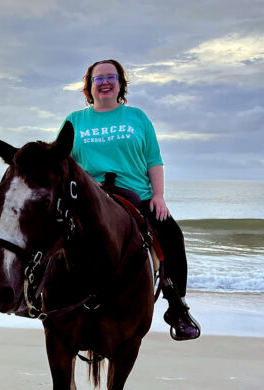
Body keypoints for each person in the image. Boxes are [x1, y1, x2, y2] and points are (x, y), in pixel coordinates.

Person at [63, 59, 200, 340]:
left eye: (110, 77)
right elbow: (62, 161)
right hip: (88, 198)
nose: (104, 82)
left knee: (172, 236)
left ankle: (177, 307)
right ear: (89, 86)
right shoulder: (75, 120)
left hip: (135, 195)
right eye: (97, 78)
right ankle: (31, 296)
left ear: (120, 84)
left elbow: (154, 160)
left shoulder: (137, 117)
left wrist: (159, 196)